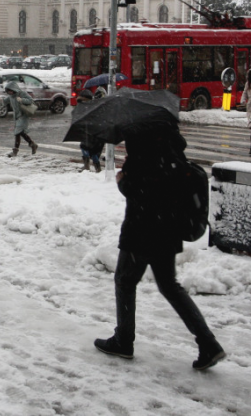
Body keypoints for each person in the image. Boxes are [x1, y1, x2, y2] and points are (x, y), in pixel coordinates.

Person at [94, 121, 226, 371]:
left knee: (125, 281)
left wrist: (123, 180)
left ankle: (123, 340)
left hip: (141, 230)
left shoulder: (144, 153)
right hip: (168, 230)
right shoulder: (172, 151)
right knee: (169, 286)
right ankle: (208, 343)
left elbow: (142, 191)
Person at [0, 80, 38, 157]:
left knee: (17, 133)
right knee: (21, 133)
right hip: (17, 117)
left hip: (23, 116)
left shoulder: (21, 93)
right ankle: (32, 144)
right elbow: (5, 102)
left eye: (10, 91)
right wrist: (1, 101)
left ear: (14, 89)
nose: (10, 93)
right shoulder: (10, 96)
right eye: (8, 91)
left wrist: (22, 100)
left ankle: (15, 151)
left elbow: (30, 100)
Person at [76, 90, 104, 172]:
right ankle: (97, 167)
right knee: (93, 150)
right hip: (94, 131)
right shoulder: (93, 106)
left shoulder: (84, 107)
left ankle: (87, 165)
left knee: (85, 147)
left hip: (89, 131)